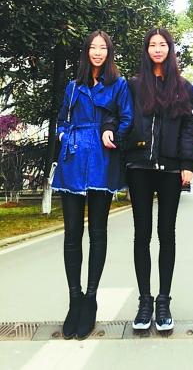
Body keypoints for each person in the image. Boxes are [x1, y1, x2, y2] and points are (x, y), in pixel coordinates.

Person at [102, 28, 193, 332]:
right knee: (141, 234)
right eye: (152, 45)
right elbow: (115, 112)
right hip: (139, 166)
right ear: (146, 50)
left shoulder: (183, 87)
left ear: (170, 49)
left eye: (163, 44)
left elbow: (189, 128)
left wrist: (188, 163)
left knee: (166, 234)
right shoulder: (132, 85)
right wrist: (108, 128)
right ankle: (145, 301)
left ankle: (164, 301)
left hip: (171, 169)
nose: (157, 49)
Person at [52, 30, 133, 340]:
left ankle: (91, 298)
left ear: (109, 53)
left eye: (103, 48)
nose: (97, 52)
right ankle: (74, 300)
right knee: (72, 233)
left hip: (102, 160)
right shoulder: (73, 87)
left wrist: (114, 135)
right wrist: (64, 136)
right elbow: (61, 120)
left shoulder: (118, 84)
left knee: (98, 232)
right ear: (86, 51)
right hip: (73, 161)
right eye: (93, 48)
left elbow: (127, 117)